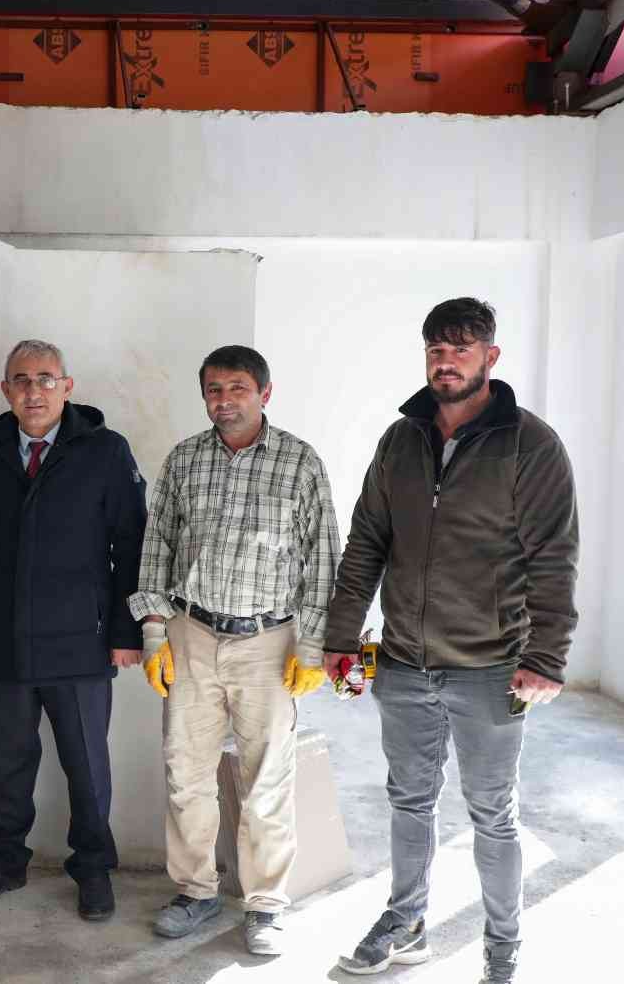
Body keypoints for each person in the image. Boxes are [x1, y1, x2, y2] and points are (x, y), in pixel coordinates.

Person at [324, 298, 577, 984]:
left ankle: (502, 943)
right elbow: (367, 541)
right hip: (404, 661)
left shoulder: (530, 444)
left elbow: (554, 555)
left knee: (493, 814)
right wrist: (343, 634)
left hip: (490, 666)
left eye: (461, 349)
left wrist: (545, 656)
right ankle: (406, 924)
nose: (446, 361)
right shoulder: (400, 440)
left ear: (490, 357)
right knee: (408, 799)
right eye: (436, 348)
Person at [131, 345, 341, 957]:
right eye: (214, 390)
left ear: (264, 394)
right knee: (186, 773)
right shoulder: (185, 459)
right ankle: (195, 890)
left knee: (266, 779)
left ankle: (265, 904)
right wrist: (154, 632)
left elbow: (322, 558)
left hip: (269, 643)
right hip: (192, 635)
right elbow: (157, 546)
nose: (225, 401)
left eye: (238, 388)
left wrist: (311, 644)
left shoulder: (300, 463)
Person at [0, 339, 147, 922]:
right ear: (6, 390)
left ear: (67, 386)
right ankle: (5, 861)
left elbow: (132, 545)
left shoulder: (105, 451)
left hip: (82, 638)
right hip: (3, 636)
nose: (34, 390)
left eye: (45, 379)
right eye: (21, 380)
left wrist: (128, 630)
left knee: (86, 763)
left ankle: (93, 867)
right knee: (6, 760)